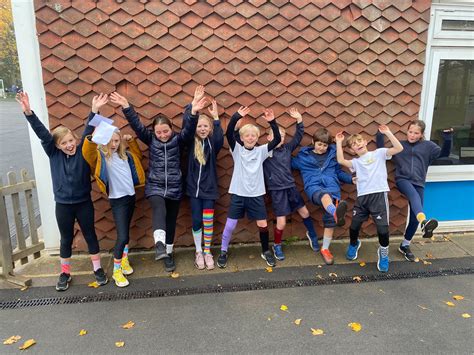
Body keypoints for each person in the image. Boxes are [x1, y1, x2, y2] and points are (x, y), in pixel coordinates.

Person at [16, 92, 108, 291]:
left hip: (83, 203)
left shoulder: (83, 149)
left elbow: (89, 129)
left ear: (74, 139)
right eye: (63, 143)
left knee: (90, 234)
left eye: (70, 140)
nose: (69, 145)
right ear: (56, 146)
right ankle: (65, 272)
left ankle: (98, 269)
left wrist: (94, 110)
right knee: (66, 238)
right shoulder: (53, 154)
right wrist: (28, 112)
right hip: (64, 205)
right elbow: (42, 133)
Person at [109, 91, 201, 272]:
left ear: (171, 129)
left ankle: (167, 252)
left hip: (175, 186)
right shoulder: (150, 139)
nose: (162, 135)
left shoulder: (179, 139)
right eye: (159, 132)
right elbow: (137, 126)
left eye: (165, 131)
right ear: (154, 132)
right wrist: (127, 106)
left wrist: (194, 112)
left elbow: (189, 130)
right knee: (159, 208)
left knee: (171, 221)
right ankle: (159, 245)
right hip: (155, 186)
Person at [82, 97, 145, 287]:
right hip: (117, 200)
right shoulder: (102, 157)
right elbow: (88, 151)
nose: (114, 144)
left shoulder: (125, 156)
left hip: (130, 197)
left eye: (117, 140)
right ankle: (117, 271)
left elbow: (139, 157)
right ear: (104, 141)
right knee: (123, 236)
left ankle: (124, 260)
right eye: (110, 141)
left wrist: (130, 141)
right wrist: (95, 130)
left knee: (126, 232)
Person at [376, 121, 453, 261]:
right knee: (414, 196)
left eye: (416, 133)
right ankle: (424, 221)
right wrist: (379, 135)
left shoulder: (428, 146)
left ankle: (405, 245)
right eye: (410, 132)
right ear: (407, 131)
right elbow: (382, 151)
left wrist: (448, 138)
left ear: (421, 134)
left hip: (419, 182)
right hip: (403, 180)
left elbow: (444, 153)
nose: (412, 135)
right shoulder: (400, 145)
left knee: (414, 217)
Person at [217, 107, 281, 268]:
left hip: (256, 194)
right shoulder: (236, 149)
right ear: (242, 138)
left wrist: (272, 122)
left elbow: (276, 139)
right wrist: (237, 116)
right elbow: (229, 132)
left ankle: (266, 251)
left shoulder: (262, 151)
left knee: (263, 225)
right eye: (247, 135)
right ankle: (223, 251)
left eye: (253, 135)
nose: (250, 138)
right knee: (230, 225)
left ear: (257, 137)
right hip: (238, 194)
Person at [335, 125, 403, 272]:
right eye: (353, 144)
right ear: (352, 151)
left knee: (383, 229)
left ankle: (383, 253)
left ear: (365, 142)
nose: (357, 144)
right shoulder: (355, 163)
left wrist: (388, 132)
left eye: (359, 141)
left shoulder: (379, 153)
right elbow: (341, 160)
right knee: (354, 227)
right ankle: (354, 244)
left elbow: (398, 148)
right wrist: (338, 142)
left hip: (379, 195)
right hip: (362, 198)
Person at [263, 108, 319, 261]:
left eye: (282, 136)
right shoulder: (264, 152)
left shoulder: (287, 148)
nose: (280, 138)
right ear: (269, 137)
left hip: (291, 187)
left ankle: (312, 235)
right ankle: (277, 245)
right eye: (276, 136)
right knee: (281, 222)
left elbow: (298, 136)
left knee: (305, 212)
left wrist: (299, 119)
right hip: (276, 190)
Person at [292, 128, 353, 265]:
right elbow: (287, 162)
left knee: (330, 222)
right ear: (313, 142)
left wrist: (350, 179)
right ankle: (335, 211)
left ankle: (325, 249)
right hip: (314, 188)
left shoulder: (332, 156)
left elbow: (339, 172)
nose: (322, 148)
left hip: (333, 188)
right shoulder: (303, 157)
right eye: (319, 144)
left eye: (325, 145)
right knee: (325, 196)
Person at [186, 86, 224, 270]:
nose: (202, 129)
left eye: (205, 126)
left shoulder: (212, 143)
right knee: (196, 220)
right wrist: (193, 107)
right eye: (199, 126)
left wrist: (216, 118)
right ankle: (198, 251)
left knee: (208, 221)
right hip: (193, 191)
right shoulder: (189, 143)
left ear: (209, 129)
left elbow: (220, 138)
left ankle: (208, 251)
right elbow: (187, 125)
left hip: (209, 190)